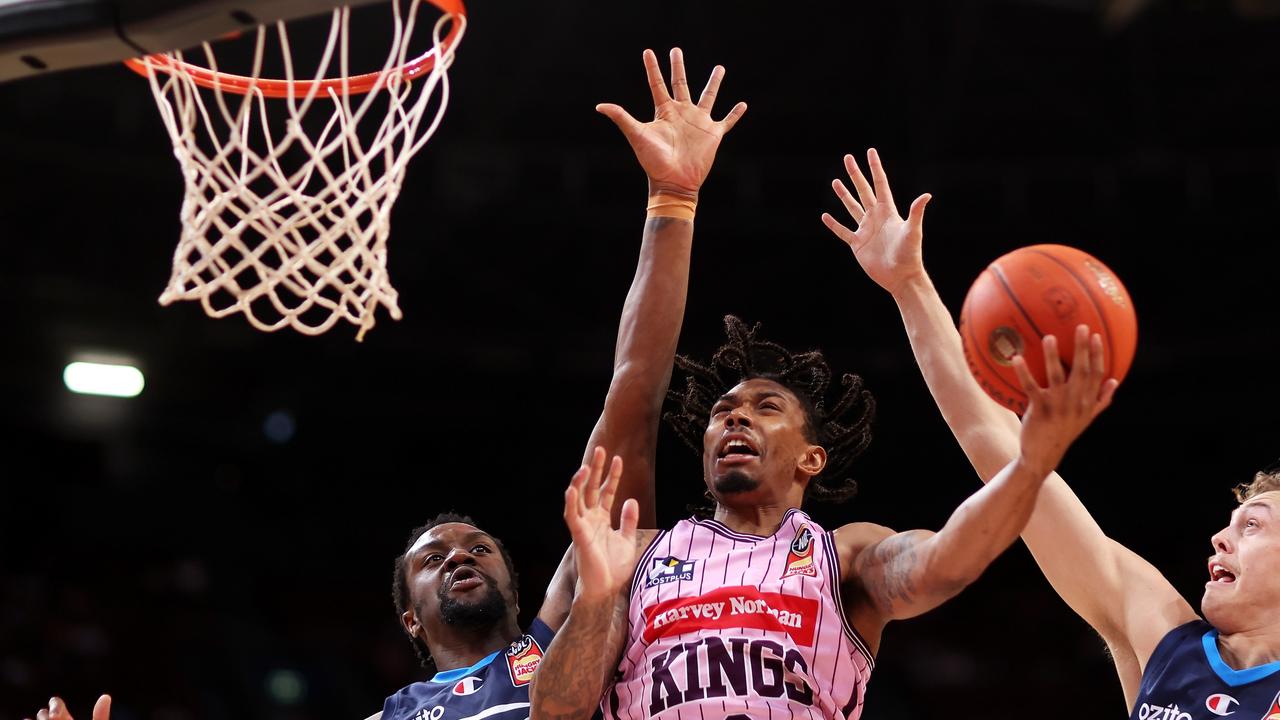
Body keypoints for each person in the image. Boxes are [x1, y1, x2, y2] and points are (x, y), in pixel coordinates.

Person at [23, 47, 748, 720]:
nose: (461, 555)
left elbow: (634, 392)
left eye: (477, 548)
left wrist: (673, 201)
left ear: (520, 583)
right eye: (433, 560)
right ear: (410, 616)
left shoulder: (562, 637)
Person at [530, 207, 1117, 719]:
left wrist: (1031, 465)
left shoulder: (847, 557)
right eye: (723, 411)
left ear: (812, 458)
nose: (735, 418)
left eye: (765, 408)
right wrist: (597, 598)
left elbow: (947, 562)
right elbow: (555, 712)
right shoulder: (632, 553)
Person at [824, 147, 1280, 718]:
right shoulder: (1165, 637)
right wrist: (910, 286)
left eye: (1254, 526)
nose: (1220, 538)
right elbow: (998, 446)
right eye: (1233, 523)